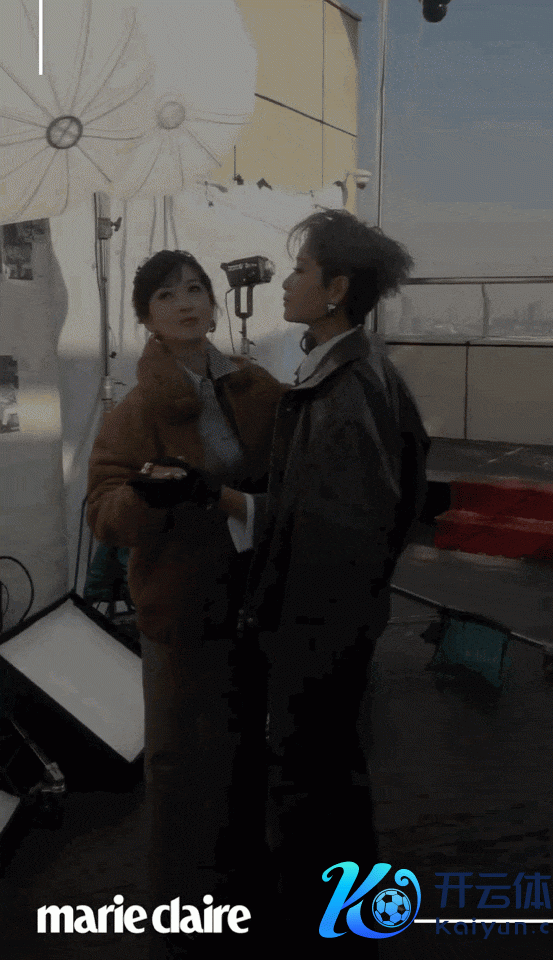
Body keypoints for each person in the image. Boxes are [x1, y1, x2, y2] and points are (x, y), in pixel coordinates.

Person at [220, 209, 430, 938]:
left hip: (318, 629)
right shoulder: (343, 374)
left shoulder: (346, 391)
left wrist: (286, 631)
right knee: (331, 776)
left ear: (336, 289)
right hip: (330, 626)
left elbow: (343, 532)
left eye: (301, 270)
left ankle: (321, 926)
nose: (286, 282)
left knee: (314, 783)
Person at [86, 250, 283, 951]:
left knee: (248, 752)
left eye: (196, 289)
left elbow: (292, 475)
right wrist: (146, 497)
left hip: (256, 600)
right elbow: (102, 510)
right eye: (167, 296)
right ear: (147, 317)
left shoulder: (257, 386)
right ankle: (180, 908)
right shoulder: (138, 407)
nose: (186, 303)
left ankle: (244, 890)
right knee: (178, 763)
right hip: (179, 608)